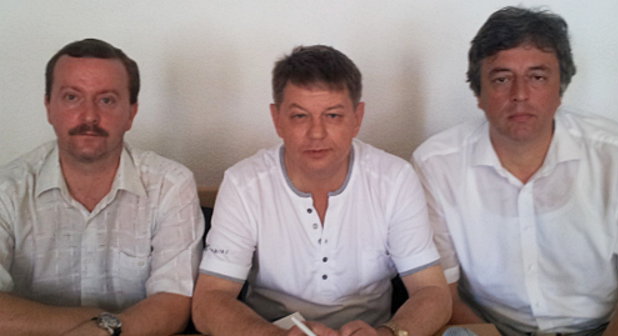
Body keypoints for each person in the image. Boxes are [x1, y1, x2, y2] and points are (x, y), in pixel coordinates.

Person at [192, 45, 451, 336]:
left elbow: (432, 291)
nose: (317, 133)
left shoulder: (395, 179)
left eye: (333, 116)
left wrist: (389, 333)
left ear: (357, 117)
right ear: (277, 119)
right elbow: (209, 300)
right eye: (300, 116)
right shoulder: (244, 184)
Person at [412, 6, 618, 336]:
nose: (520, 95)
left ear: (561, 89)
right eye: (501, 79)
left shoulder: (616, 156)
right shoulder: (437, 164)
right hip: (489, 329)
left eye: (537, 77)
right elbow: (443, 294)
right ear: (478, 94)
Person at [0, 38, 204, 335]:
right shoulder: (7, 189)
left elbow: (173, 303)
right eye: (72, 97)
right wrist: (105, 325)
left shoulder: (170, 185)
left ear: (131, 113)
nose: (89, 116)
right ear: (48, 107)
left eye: (106, 99)